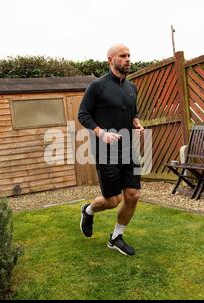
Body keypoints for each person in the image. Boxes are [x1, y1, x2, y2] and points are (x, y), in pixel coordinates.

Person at [77, 43, 144, 256]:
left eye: (129, 56)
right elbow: (83, 114)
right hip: (106, 151)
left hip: (128, 149)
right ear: (110, 60)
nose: (127, 59)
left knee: (133, 194)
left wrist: (137, 122)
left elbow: (134, 112)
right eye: (123, 56)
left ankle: (116, 237)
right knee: (113, 200)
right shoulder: (97, 86)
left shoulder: (132, 88)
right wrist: (101, 132)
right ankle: (88, 210)